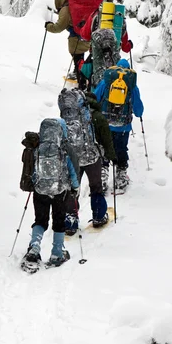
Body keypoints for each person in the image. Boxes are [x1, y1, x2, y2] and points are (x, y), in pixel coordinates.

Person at [21, 118, 80, 273]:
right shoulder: (63, 148)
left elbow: (31, 169)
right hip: (60, 191)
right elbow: (72, 172)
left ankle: (34, 250)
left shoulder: (37, 147)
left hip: (40, 190)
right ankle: (57, 254)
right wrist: (75, 187)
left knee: (40, 220)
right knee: (59, 222)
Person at [58, 88, 116, 235]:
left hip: (73, 158)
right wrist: (111, 155)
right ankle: (99, 216)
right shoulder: (94, 116)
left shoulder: (67, 116)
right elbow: (105, 138)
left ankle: (70, 221)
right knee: (96, 186)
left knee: (72, 188)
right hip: (91, 156)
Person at [93, 58, 144, 192]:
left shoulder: (106, 82)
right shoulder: (132, 86)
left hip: (105, 124)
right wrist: (138, 113)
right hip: (123, 126)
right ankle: (121, 175)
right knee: (121, 148)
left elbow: (95, 97)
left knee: (104, 147)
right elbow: (139, 109)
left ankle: (102, 174)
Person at [45, 0, 90, 86]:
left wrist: (48, 26)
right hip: (86, 36)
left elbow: (59, 27)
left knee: (77, 58)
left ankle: (81, 80)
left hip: (76, 38)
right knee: (80, 56)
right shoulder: (78, 5)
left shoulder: (66, 9)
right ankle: (79, 73)